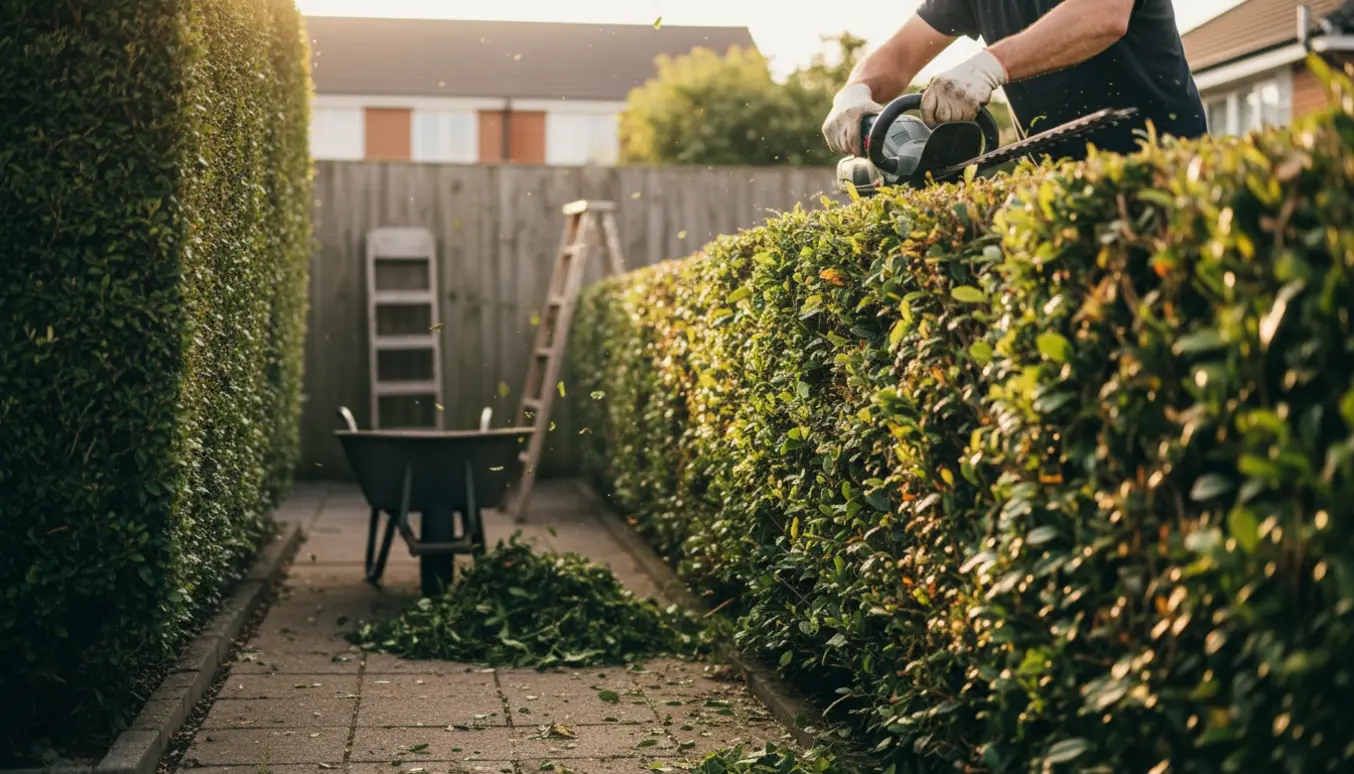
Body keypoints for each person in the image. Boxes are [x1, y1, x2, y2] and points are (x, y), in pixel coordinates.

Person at [822, 0, 1208, 162]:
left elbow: (1103, 14)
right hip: (1056, 188)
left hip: (1167, 167)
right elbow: (901, 54)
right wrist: (853, 92)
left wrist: (987, 66)